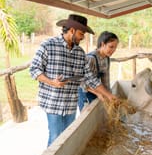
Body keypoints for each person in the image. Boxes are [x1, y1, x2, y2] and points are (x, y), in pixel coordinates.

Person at [30, 14, 117, 147]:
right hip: (53, 101)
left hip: (70, 103)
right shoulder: (48, 45)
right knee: (55, 137)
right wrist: (52, 82)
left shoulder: (80, 53)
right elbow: (34, 70)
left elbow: (90, 78)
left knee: (67, 136)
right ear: (71, 30)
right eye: (81, 33)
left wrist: (109, 96)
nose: (83, 37)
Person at [78, 31, 119, 111]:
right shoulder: (91, 58)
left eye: (115, 48)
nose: (113, 50)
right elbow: (82, 82)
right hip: (85, 91)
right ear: (103, 44)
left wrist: (109, 95)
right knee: (86, 114)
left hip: (97, 89)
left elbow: (106, 80)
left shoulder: (107, 59)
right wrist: (98, 93)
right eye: (111, 47)